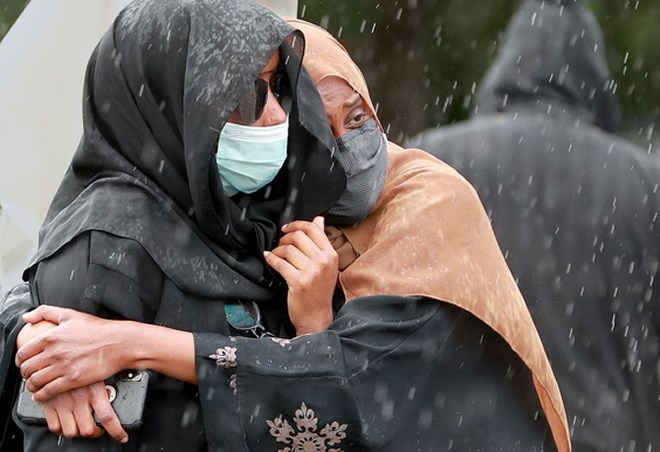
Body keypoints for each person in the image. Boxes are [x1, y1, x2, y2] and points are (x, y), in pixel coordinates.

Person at [11, 17, 571, 451]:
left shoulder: (424, 202)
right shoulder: (250, 220)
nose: (281, 123)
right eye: (313, 123)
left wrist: (127, 344)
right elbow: (46, 290)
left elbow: (352, 388)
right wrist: (30, 338)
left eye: (357, 118)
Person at [0, 0, 353, 449]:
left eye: (280, 86)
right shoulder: (107, 249)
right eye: (245, 94)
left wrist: (316, 327)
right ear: (172, 103)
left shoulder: (267, 219)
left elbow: (326, 423)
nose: (277, 115)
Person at [407, 0, 660, 450]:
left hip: (454, 434)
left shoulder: (431, 162)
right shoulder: (642, 181)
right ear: (594, 76)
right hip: (605, 437)